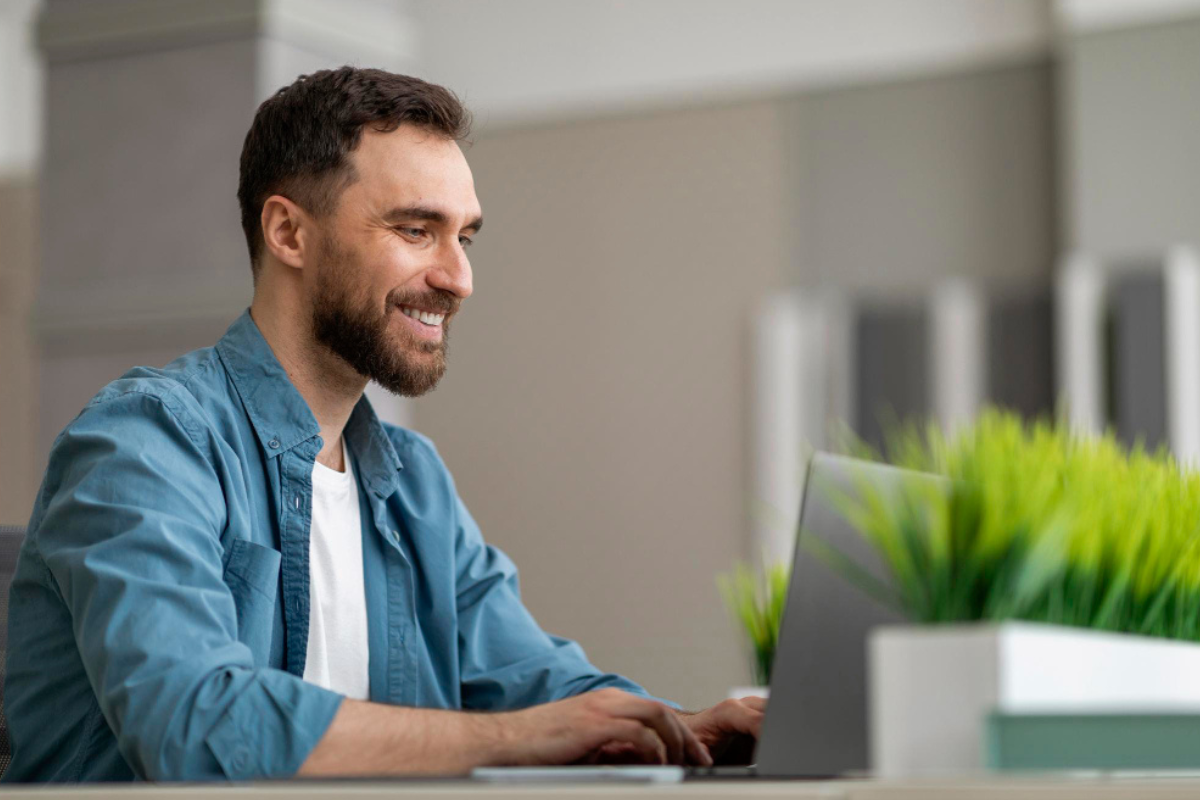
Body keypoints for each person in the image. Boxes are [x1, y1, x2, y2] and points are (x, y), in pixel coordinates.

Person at [3, 67, 763, 782]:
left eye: (463, 236)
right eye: (415, 230)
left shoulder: (412, 482)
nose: (458, 278)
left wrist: (686, 729)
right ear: (289, 233)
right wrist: (513, 740)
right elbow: (195, 725)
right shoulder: (147, 442)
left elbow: (539, 688)